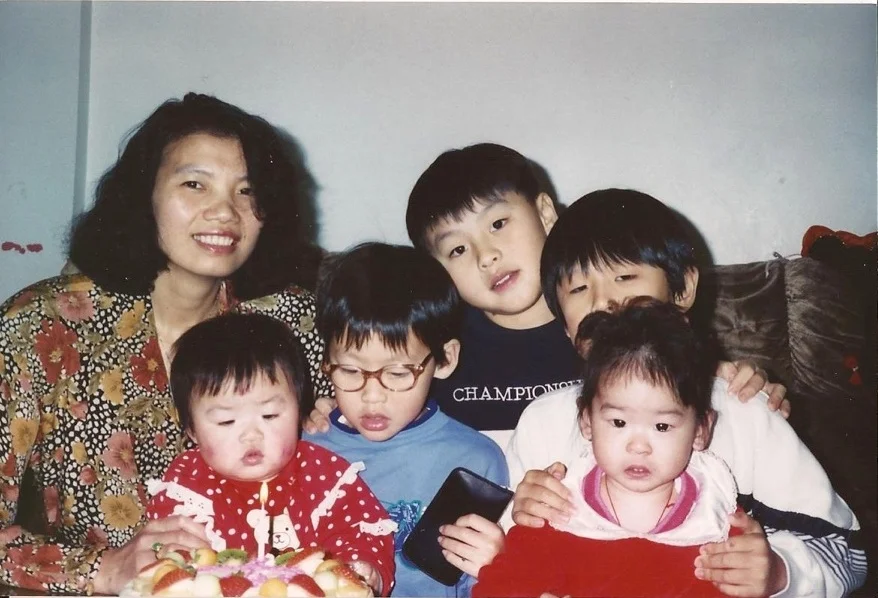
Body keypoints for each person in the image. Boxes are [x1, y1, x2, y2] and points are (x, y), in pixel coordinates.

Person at [0, 93, 332, 595]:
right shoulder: (40, 327)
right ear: (143, 196)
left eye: (247, 191)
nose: (224, 211)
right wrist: (101, 569)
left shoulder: (292, 322)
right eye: (194, 184)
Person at [507, 188, 867, 597]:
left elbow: (848, 556)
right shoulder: (543, 424)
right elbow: (500, 558)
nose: (603, 302)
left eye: (624, 278)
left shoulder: (743, 412)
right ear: (564, 324)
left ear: (683, 291)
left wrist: (779, 573)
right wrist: (518, 514)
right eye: (577, 290)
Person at [305, 143, 785, 448]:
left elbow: (691, 385)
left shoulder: (608, 326)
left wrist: (729, 381)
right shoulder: (440, 346)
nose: (487, 256)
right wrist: (333, 411)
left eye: (498, 224)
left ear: (546, 215)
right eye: (456, 249)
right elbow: (383, 390)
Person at [476, 298, 740, 597]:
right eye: (618, 423)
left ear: (700, 430)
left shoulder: (714, 512)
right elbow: (501, 585)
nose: (638, 446)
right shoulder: (561, 507)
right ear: (587, 421)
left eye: (662, 427)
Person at [302, 242, 509, 597]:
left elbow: (479, 585)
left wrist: (498, 564)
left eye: (398, 373)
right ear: (326, 363)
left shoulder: (476, 459)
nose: (372, 395)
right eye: (350, 370)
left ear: (444, 360)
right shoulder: (305, 450)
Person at [146, 313, 393, 595]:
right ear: (191, 430)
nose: (252, 435)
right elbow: (172, 552)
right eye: (226, 421)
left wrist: (364, 569)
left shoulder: (323, 473)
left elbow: (359, 530)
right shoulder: (186, 483)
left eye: (270, 414)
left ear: (299, 409)